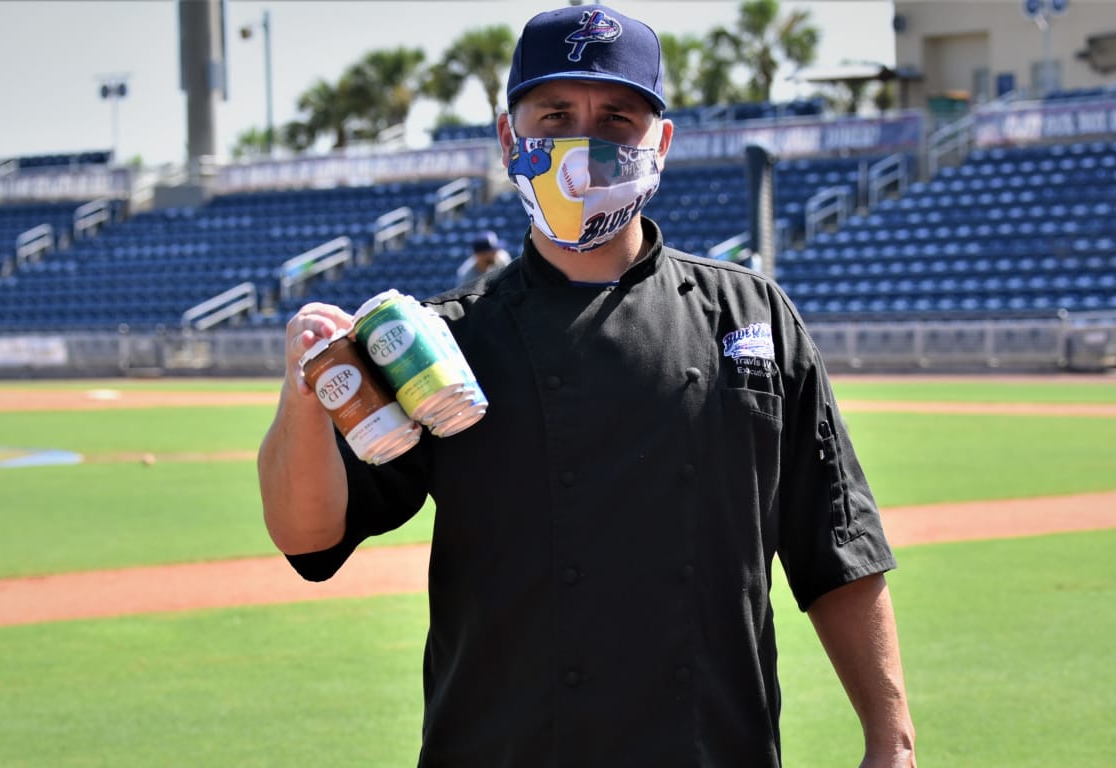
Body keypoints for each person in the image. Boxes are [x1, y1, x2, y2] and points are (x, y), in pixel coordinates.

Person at [258, 4, 916, 765]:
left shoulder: (754, 317)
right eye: (556, 114)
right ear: (510, 136)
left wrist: (890, 740)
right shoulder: (443, 342)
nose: (584, 143)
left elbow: (836, 544)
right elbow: (308, 538)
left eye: (617, 118)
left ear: (659, 142)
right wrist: (302, 400)